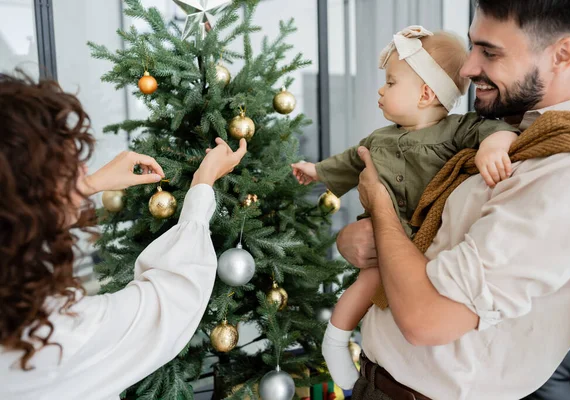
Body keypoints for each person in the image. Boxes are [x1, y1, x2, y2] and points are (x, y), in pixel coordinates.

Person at [335, 1, 570, 399]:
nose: (467, 68)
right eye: (473, 46)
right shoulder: (503, 135)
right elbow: (422, 234)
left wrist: (380, 206)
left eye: (490, 52)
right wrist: (361, 235)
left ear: (561, 54)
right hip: (374, 381)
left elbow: (426, 319)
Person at [291, 26, 519, 389]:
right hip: (386, 241)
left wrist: (495, 146)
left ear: (426, 93)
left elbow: (491, 130)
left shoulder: (454, 131)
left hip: (425, 245)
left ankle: (345, 341)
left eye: (392, 83)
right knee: (365, 284)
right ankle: (335, 341)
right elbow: (350, 163)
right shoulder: (379, 139)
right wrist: (316, 170)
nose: (381, 90)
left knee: (395, 295)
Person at [0, 72, 247, 400]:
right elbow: (169, 301)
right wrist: (204, 182)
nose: (83, 170)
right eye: (66, 164)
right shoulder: (49, 338)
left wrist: (82, 188)